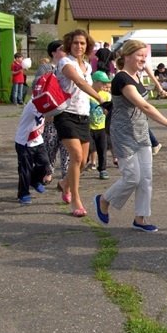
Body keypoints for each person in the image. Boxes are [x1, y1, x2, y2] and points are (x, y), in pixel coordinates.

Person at [94, 40, 167, 232]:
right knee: (132, 177)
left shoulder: (136, 76)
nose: (143, 59)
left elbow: (143, 106)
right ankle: (104, 199)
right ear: (127, 56)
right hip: (123, 133)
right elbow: (144, 106)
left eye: (145, 55)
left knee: (146, 177)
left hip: (141, 131)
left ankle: (140, 219)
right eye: (139, 55)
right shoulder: (121, 79)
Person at [54, 30, 103, 217]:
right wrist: (99, 98)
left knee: (83, 161)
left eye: (82, 43)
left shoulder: (88, 66)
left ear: (87, 46)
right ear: (69, 44)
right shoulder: (65, 62)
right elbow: (80, 83)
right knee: (75, 156)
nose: (79, 46)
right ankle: (75, 198)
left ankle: (64, 183)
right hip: (66, 114)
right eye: (75, 43)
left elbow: (90, 84)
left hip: (83, 115)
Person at [36, 40, 67, 186]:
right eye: (61, 49)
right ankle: (48, 171)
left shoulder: (69, 66)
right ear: (53, 52)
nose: (65, 51)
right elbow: (38, 87)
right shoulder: (46, 67)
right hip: (51, 113)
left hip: (67, 111)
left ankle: (66, 177)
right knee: (50, 144)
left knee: (66, 147)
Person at [14, 100, 49, 205]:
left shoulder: (45, 101)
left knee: (45, 163)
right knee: (25, 169)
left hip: (37, 139)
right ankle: (23, 193)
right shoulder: (34, 103)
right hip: (25, 141)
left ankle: (34, 180)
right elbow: (50, 114)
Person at [88, 71, 112, 180]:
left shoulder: (106, 95)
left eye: (106, 82)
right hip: (88, 127)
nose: (104, 85)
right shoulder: (87, 94)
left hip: (102, 127)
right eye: (102, 82)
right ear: (95, 81)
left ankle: (102, 169)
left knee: (102, 149)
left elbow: (110, 110)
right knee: (88, 149)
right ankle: (84, 165)